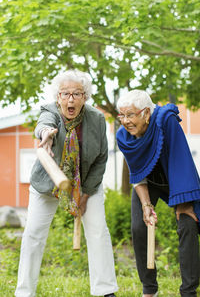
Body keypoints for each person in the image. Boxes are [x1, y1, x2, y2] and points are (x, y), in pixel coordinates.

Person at [15, 70, 118, 297]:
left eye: (77, 94)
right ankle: (24, 292)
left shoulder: (97, 119)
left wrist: (86, 194)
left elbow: (101, 157)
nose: (70, 99)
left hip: (86, 181)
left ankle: (105, 290)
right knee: (33, 233)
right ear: (58, 96)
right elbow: (43, 125)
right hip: (48, 182)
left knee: (98, 230)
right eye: (65, 94)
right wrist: (46, 135)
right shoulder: (50, 111)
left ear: (85, 97)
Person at [116, 89, 200, 297]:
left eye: (130, 115)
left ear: (146, 113)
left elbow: (180, 159)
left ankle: (188, 292)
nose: (125, 121)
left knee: (188, 224)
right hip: (149, 182)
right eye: (122, 115)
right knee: (139, 226)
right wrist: (146, 205)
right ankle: (149, 289)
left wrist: (184, 205)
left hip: (178, 179)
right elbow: (136, 173)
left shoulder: (165, 120)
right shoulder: (123, 137)